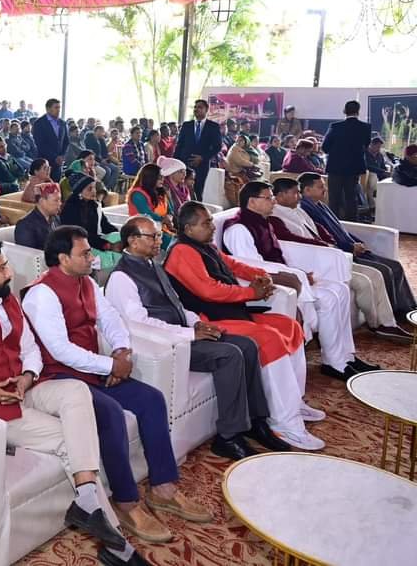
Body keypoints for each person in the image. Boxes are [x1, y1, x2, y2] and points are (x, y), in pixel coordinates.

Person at [0, 238, 149, 565]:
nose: (10, 272)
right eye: (1, 268)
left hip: (26, 389)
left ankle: (86, 500)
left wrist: (28, 375)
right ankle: (117, 545)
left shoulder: (9, 300)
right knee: (74, 440)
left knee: (76, 391)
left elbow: (30, 350)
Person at [23, 227, 211, 544]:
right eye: (85, 253)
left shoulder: (87, 282)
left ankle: (163, 487)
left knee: (151, 399)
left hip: (94, 370)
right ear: (63, 258)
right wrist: (111, 365)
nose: (92, 258)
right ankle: (125, 501)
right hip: (60, 378)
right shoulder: (42, 294)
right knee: (110, 414)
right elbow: (60, 350)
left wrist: (122, 351)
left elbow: (110, 318)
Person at [107, 216, 305, 457]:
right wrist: (190, 333)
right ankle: (228, 436)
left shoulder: (153, 265)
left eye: (159, 235)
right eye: (153, 237)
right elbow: (139, 324)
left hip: (184, 333)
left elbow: (177, 306)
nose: (159, 241)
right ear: (133, 240)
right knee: (229, 354)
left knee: (248, 345)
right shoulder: (121, 277)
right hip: (167, 345)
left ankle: (256, 421)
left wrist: (197, 323)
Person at [220, 182, 377, 381]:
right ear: (252, 202)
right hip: (271, 285)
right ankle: (334, 362)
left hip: (285, 275)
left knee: (341, 290)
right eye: (268, 198)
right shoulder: (238, 229)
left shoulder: (261, 220)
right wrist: (296, 275)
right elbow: (252, 268)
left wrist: (298, 272)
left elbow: (276, 254)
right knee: (329, 298)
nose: (273, 202)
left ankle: (346, 356)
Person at [295, 172, 416, 332]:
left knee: (395, 265)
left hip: (351, 248)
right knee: (386, 270)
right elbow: (326, 238)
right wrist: (351, 247)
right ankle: (397, 312)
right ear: (307, 190)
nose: (325, 189)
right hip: (343, 253)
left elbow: (340, 229)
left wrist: (357, 242)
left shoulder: (320, 205)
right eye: (320, 187)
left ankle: (408, 307)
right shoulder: (306, 209)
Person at [322, 100, 373, 221]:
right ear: (358, 112)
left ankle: (334, 222)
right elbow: (366, 146)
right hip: (354, 167)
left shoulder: (335, 126)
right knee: (352, 198)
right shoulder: (365, 127)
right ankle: (352, 223)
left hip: (335, 167)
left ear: (344, 111)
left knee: (334, 198)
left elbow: (325, 147)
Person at [61, 172, 122, 270]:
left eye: (94, 188)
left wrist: (121, 237)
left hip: (94, 240)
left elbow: (105, 225)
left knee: (119, 237)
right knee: (109, 257)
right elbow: (80, 235)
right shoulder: (71, 208)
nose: (94, 191)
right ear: (80, 191)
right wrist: (107, 245)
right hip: (78, 245)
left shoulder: (92, 204)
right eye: (90, 189)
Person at [174, 99, 222, 200]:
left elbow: (217, 146)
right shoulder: (186, 125)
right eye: (195, 107)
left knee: (198, 190)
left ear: (206, 110)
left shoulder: (213, 127)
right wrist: (175, 162)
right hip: (184, 163)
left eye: (200, 107)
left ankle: (197, 208)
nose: (196, 109)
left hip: (202, 165)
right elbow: (179, 145)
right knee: (181, 190)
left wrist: (203, 157)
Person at [126, 163, 174, 248]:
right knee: (173, 244)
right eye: (159, 178)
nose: (162, 180)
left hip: (160, 227)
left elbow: (170, 209)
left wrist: (169, 217)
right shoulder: (137, 194)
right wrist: (163, 219)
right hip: (142, 230)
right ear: (150, 178)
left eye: (163, 177)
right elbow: (147, 214)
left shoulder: (159, 191)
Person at [14, 182, 62, 251]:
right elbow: (27, 254)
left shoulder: (55, 218)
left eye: (60, 200)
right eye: (56, 200)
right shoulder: (25, 225)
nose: (60, 203)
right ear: (41, 201)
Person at [32, 99, 70, 177]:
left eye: (59, 107)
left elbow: (66, 141)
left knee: (56, 183)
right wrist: (55, 157)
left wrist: (62, 156)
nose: (58, 110)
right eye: (56, 107)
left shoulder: (62, 123)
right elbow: (40, 144)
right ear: (48, 109)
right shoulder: (39, 123)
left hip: (58, 163)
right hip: (44, 162)